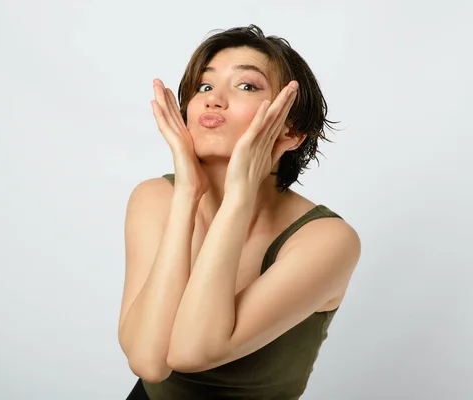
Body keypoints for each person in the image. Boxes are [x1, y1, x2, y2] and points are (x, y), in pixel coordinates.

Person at [119, 24, 361, 400]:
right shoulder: (156, 198)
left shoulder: (327, 240)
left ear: (291, 131)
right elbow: (148, 362)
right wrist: (187, 195)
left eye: (247, 86)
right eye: (204, 86)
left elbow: (191, 351)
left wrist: (238, 198)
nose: (214, 99)